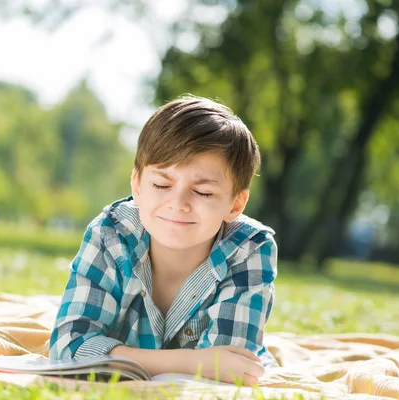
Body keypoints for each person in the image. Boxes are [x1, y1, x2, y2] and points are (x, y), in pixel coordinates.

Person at [49, 95, 278, 386]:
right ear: (138, 185)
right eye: (161, 184)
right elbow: (67, 349)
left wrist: (115, 356)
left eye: (203, 192)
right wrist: (194, 362)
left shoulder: (250, 248)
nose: (177, 203)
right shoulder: (111, 233)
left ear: (236, 203)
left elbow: (231, 369)